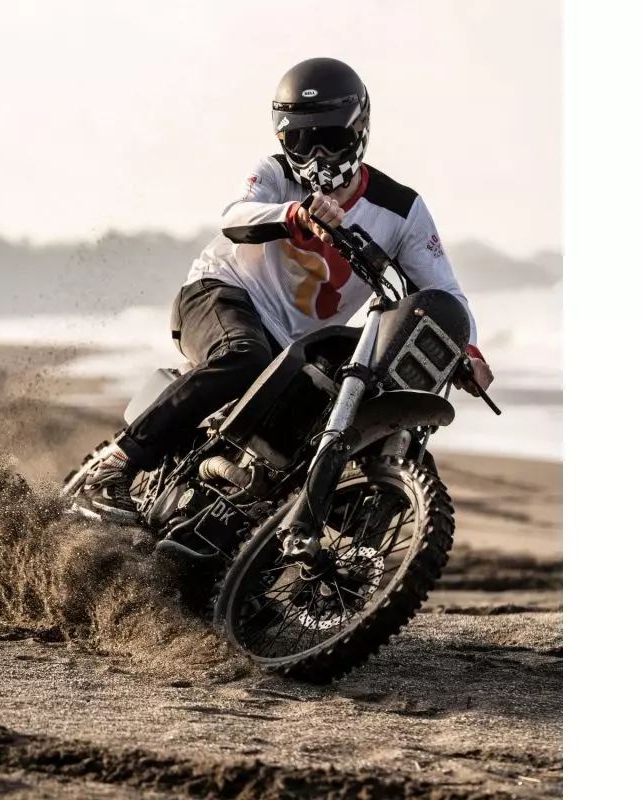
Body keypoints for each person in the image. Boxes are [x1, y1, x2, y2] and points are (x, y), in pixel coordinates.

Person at [78, 57, 494, 523]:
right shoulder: (276, 174)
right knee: (244, 356)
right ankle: (115, 465)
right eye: (299, 140)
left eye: (329, 138)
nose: (316, 155)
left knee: (320, 430)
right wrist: (293, 215)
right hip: (220, 294)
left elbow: (444, 291)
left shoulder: (401, 211)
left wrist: (468, 350)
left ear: (360, 129)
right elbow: (234, 217)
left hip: (297, 349)